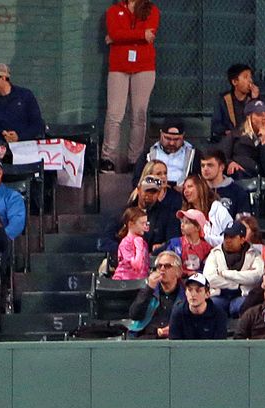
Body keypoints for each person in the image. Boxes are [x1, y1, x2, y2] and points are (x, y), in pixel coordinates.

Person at [102, 0, 159, 172]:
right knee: (114, 114)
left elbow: (149, 34)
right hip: (119, 67)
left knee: (139, 115)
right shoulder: (113, 11)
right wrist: (141, 34)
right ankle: (108, 158)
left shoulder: (151, 10)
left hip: (144, 67)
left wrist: (118, 37)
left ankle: (135, 160)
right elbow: (114, 32)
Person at [202, 221, 265, 315]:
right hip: (219, 295)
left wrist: (225, 273)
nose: (227, 240)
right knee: (211, 305)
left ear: (242, 239)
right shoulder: (215, 253)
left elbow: (256, 277)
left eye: (232, 237)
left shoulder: (254, 254)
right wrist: (237, 284)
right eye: (225, 236)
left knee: (240, 307)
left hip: (243, 295)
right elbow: (209, 278)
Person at [0, 62, 46, 146]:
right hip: (2, 154)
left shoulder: (25, 96)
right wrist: (3, 143)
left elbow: (37, 124)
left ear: (3, 78)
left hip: (28, 151)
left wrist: (19, 137)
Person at [125, 250, 185, 337]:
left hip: (176, 339)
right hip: (148, 338)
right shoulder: (149, 290)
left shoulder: (186, 293)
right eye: (159, 266)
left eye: (167, 266)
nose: (162, 269)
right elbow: (134, 315)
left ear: (178, 272)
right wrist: (149, 289)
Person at [168, 272, 228, 338]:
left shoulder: (218, 314)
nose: (193, 294)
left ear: (207, 294)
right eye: (190, 290)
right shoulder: (178, 313)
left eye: (198, 290)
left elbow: (220, 345)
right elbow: (174, 344)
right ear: (185, 292)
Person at [211, 64, 261, 141]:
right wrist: (227, 132)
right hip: (230, 140)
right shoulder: (223, 99)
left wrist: (255, 100)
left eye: (250, 77)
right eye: (245, 77)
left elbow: (261, 120)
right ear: (234, 82)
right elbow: (216, 125)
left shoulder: (256, 98)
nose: (250, 81)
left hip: (250, 140)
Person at [113, 207, 151, 280]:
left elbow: (145, 266)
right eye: (142, 223)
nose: (145, 226)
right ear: (130, 224)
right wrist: (139, 248)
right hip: (125, 281)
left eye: (146, 223)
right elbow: (136, 265)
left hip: (141, 281)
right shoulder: (125, 243)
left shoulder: (144, 243)